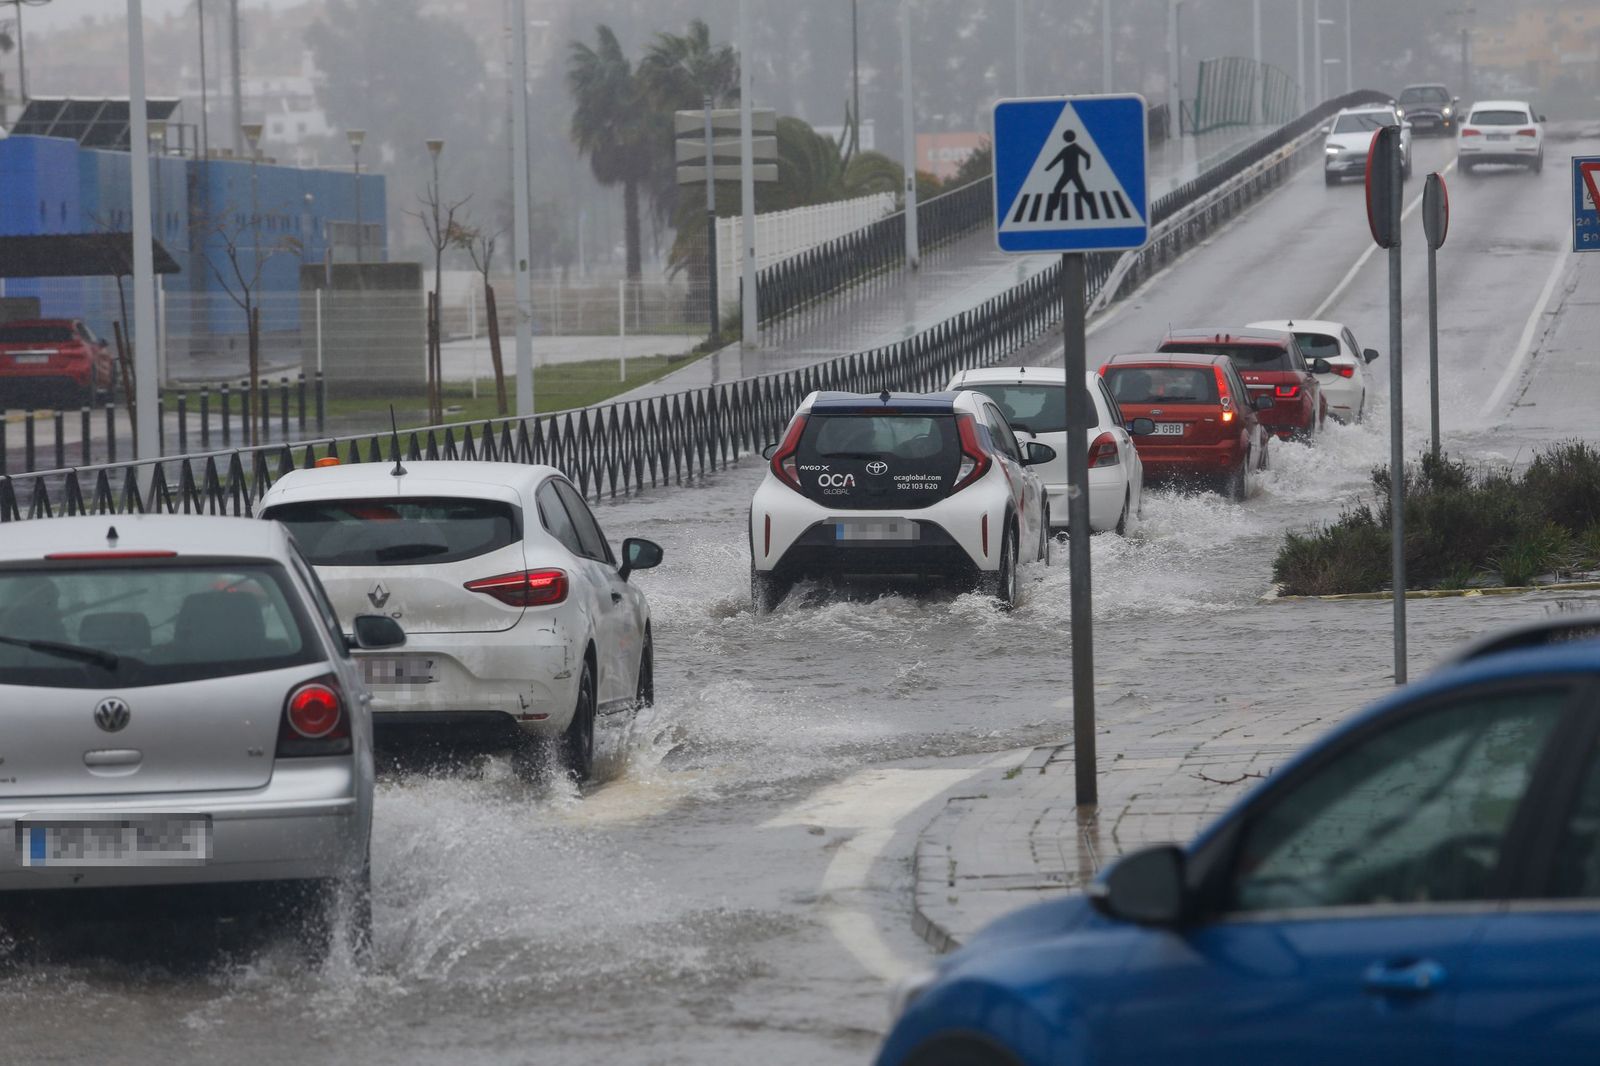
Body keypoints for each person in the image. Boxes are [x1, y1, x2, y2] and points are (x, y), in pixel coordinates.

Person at [1046, 130, 1093, 197]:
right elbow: (1057, 160)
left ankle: (1092, 204)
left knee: (1081, 190)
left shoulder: (1074, 147)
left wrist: (1087, 167)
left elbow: (1087, 156)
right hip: (1067, 173)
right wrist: (1047, 168)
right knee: (1058, 188)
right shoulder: (1067, 149)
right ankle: (1053, 206)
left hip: (1072, 173)